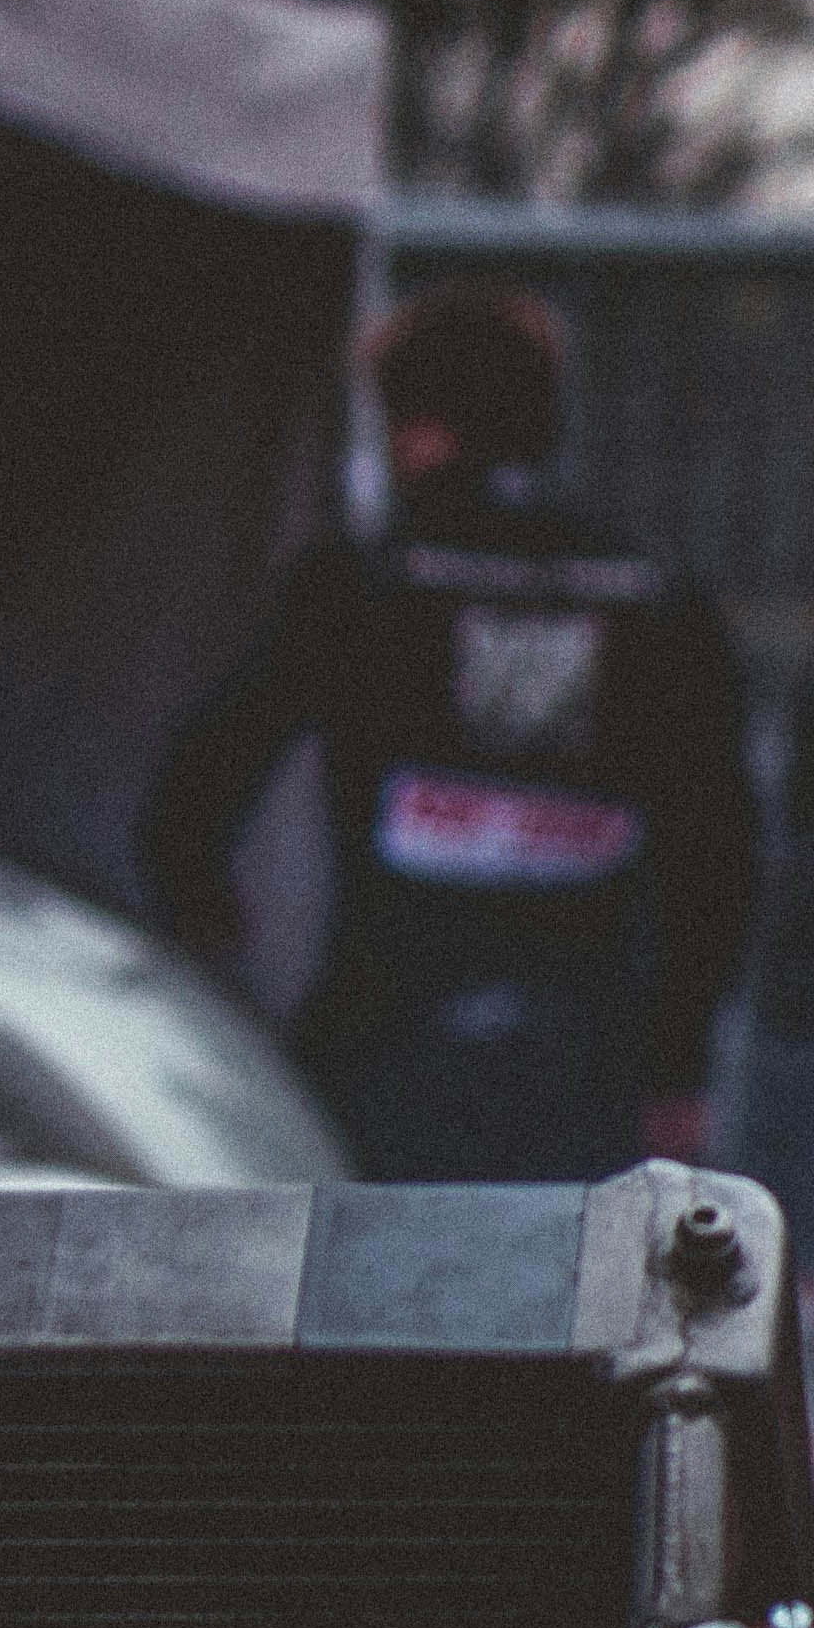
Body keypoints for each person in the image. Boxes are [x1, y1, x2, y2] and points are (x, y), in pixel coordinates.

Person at [138, 286, 760, 1181]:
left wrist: (216, 949)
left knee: (376, 1299)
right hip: (587, 1058)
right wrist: (678, 1064)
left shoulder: (362, 582)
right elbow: (718, 854)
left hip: (385, 1035)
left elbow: (199, 786)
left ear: (417, 431)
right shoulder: (654, 597)